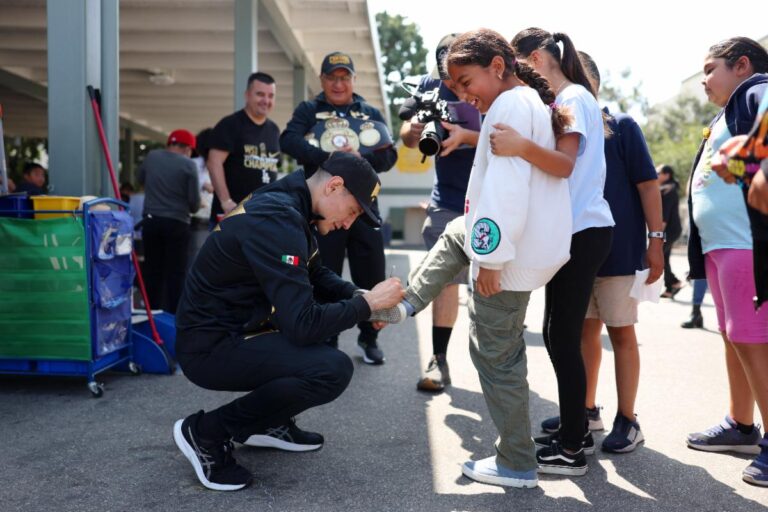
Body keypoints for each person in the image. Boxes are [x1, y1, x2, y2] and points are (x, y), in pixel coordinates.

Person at [395, 28, 574, 489]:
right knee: (457, 231)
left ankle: (516, 463)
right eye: (453, 86)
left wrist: (491, 261)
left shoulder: (510, 107)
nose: (462, 94)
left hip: (508, 256)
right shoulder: (523, 101)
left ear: (497, 67)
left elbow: (505, 192)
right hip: (519, 244)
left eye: (465, 81)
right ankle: (406, 303)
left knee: (496, 356)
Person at [172, 152, 405, 491]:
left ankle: (267, 422)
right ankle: (206, 433)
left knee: (321, 339)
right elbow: (303, 324)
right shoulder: (277, 218)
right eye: (353, 211)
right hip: (209, 346)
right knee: (331, 368)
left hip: (240, 328)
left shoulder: (291, 202)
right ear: (333, 186)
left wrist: (360, 297)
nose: (348, 224)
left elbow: (315, 273)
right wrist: (366, 306)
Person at [489, 28, 615, 476]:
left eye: (518, 64)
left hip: (583, 231)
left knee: (562, 338)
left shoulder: (573, 97)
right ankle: (574, 431)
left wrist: (520, 146)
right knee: (557, 334)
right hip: (575, 231)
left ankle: (572, 449)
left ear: (538, 58)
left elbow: (563, 164)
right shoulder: (567, 97)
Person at [536, 52, 664, 454]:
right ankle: (585, 410)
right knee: (582, 333)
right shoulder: (559, 124)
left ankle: (628, 418)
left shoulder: (620, 125)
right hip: (573, 250)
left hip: (618, 250)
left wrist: (656, 241)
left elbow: (647, 185)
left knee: (621, 331)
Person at [684, 37, 768, 487]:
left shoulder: (756, 89)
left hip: (745, 242)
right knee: (736, 338)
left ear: (741, 65)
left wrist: (755, 162)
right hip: (721, 245)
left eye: (709, 68)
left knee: (753, 341)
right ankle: (741, 424)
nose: (704, 80)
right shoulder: (727, 113)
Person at [280, 51, 397, 364]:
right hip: (325, 206)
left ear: (354, 80)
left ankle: (369, 337)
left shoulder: (369, 112)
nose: (338, 83)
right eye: (332, 77)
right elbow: (287, 140)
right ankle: (327, 336)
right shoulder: (309, 110)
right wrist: (329, 159)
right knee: (324, 271)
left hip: (363, 207)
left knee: (371, 271)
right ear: (322, 80)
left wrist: (360, 160)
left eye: (344, 77)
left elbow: (390, 156)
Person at [399, 34, 480, 391]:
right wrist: (414, 129)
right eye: (448, 78)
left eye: (461, 77)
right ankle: (439, 359)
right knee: (446, 277)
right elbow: (406, 134)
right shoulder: (429, 86)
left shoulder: (491, 83)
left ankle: (499, 362)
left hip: (492, 198)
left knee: (493, 282)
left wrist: (466, 135)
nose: (455, 85)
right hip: (447, 197)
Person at [137, 129, 200, 313]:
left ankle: (151, 313)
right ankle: (173, 316)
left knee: (152, 270)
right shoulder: (189, 165)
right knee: (176, 273)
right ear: (188, 149)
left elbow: (140, 179)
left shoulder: (151, 157)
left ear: (169, 144)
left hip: (151, 220)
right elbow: (194, 203)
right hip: (177, 223)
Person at [208, 72, 280, 224]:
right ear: (247, 95)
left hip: (262, 217)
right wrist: (226, 201)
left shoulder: (274, 130)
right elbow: (214, 162)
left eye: (271, 96)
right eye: (260, 94)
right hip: (231, 216)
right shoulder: (230, 124)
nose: (266, 100)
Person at [658, 164, 684, 298]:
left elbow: (665, 215)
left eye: (658, 173)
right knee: (664, 257)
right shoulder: (666, 189)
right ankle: (671, 285)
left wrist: (657, 235)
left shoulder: (669, 190)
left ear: (667, 175)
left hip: (669, 230)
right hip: (670, 229)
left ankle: (673, 282)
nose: (656, 175)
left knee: (659, 255)